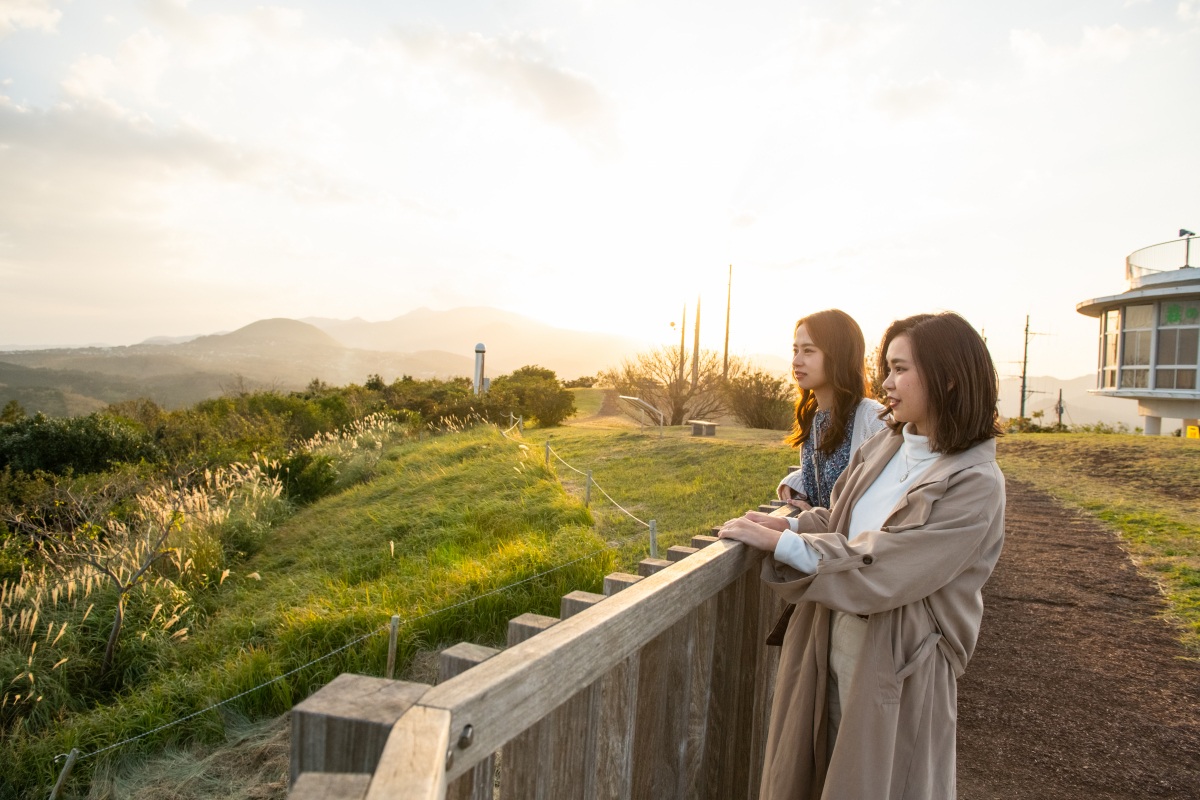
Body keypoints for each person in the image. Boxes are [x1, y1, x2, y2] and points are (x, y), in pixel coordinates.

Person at [718, 311, 1006, 800]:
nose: (887, 383)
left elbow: (891, 567)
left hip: (896, 656)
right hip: (827, 626)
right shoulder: (885, 447)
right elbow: (841, 523)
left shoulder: (974, 482)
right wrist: (786, 524)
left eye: (900, 369)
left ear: (949, 377)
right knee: (812, 769)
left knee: (873, 781)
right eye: (887, 368)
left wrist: (787, 545)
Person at [776, 309, 888, 512]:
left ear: (838, 356)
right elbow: (827, 475)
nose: (796, 361)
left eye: (808, 351)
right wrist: (797, 481)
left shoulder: (873, 419)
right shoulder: (816, 420)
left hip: (857, 543)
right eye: (795, 350)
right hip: (823, 542)